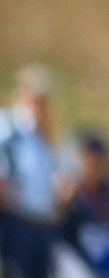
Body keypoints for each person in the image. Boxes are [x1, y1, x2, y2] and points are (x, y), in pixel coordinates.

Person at [0, 65, 72, 278]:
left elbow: (62, 178)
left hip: (45, 227)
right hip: (17, 224)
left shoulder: (48, 139)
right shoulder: (8, 127)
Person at [61, 130, 109, 278]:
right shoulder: (70, 193)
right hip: (78, 266)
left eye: (99, 160)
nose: (95, 166)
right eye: (90, 159)